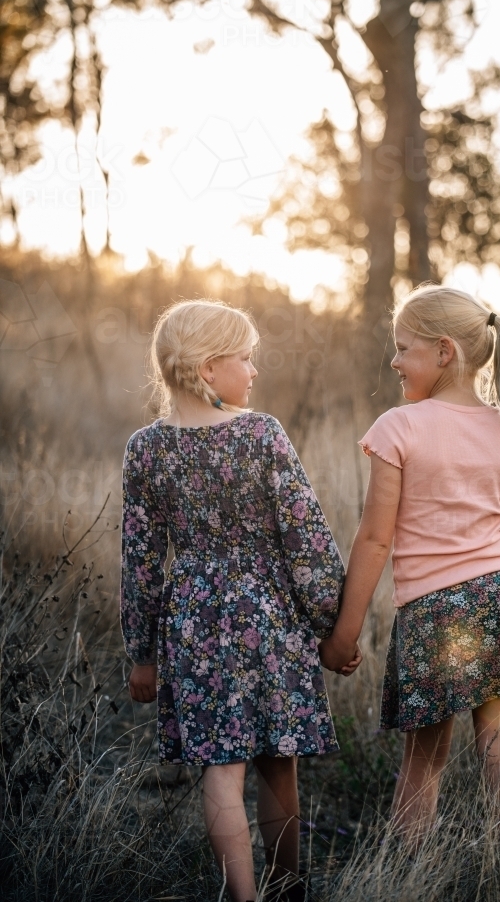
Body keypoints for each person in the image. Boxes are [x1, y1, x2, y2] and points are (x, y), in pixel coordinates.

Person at [121, 299, 360, 902]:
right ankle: (286, 890)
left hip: (194, 621)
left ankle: (244, 897)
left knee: (220, 770)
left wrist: (141, 653)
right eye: (246, 359)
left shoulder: (145, 449)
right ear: (207, 368)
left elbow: (142, 561)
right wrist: (336, 625)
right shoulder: (261, 433)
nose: (254, 372)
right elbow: (305, 538)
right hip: (270, 616)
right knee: (280, 761)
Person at [318, 285, 500, 844]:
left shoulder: (400, 427)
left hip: (432, 617)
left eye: (404, 349)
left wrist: (343, 637)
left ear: (445, 351)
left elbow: (375, 539)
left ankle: (407, 872)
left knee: (423, 762)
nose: (395, 362)